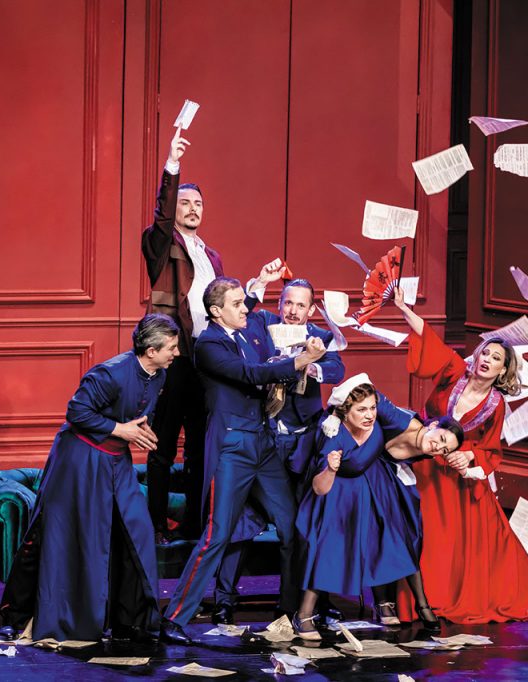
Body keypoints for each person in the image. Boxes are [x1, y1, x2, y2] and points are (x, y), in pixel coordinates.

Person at [160, 277, 328, 644]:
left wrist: (302, 356)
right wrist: (300, 361)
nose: (245, 309)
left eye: (243, 302)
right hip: (232, 447)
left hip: (263, 444)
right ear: (216, 311)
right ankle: (174, 619)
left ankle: (290, 611)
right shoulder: (209, 344)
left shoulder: (247, 335)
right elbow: (250, 373)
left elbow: (265, 361)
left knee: (293, 526)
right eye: (237, 304)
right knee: (217, 535)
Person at [0, 314, 181, 644]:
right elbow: (77, 411)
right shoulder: (109, 373)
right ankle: (18, 614)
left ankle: (133, 620)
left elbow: (137, 410)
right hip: (79, 462)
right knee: (58, 536)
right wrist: (120, 429)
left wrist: (140, 429)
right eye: (172, 347)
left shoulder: (159, 374)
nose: (177, 353)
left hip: (116, 462)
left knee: (136, 530)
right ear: (151, 350)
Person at [391, 290, 528, 624]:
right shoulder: (454, 373)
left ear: (502, 370)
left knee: (454, 545)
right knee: (421, 536)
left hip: (457, 481)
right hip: (425, 466)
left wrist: (468, 455)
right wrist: (402, 308)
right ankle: (410, 598)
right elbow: (430, 340)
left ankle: (441, 598)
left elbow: (491, 451)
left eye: (496, 358)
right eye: (485, 352)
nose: (487, 359)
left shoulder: (495, 406)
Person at [209, 262, 346, 625]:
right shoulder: (262, 324)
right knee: (241, 521)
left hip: (302, 444)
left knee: (302, 525)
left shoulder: (321, 336)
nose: (293, 310)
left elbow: (337, 370)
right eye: (288, 302)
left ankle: (300, 603)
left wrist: (309, 365)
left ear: (311, 309)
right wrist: (259, 283)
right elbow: (238, 310)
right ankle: (223, 600)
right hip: (264, 439)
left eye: (301, 305)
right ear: (280, 302)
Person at [292, 374, 465, 640]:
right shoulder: (377, 421)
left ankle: (395, 602)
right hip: (342, 481)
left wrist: (465, 456)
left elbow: (369, 412)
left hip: (375, 474)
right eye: (440, 438)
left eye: (444, 449)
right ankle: (304, 613)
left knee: (394, 532)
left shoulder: (424, 444)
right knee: (332, 539)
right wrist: (334, 415)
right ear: (431, 425)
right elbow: (359, 394)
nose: (438, 447)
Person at [141, 127, 221, 542]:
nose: (192, 209)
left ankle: (193, 523)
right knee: (162, 445)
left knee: (199, 449)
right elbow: (162, 216)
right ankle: (155, 525)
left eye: (198, 204)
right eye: (185, 202)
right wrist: (172, 166)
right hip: (173, 359)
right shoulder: (162, 245)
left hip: (206, 361)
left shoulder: (212, 256)